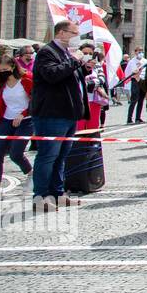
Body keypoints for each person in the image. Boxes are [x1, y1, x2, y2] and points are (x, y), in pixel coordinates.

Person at [28, 20, 90, 212]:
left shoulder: (65, 53)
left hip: (68, 113)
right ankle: (40, 195)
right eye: (74, 33)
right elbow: (52, 75)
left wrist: (83, 67)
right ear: (62, 33)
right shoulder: (47, 52)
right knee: (48, 155)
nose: (77, 37)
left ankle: (57, 193)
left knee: (61, 156)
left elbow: (70, 77)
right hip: (51, 113)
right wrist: (75, 61)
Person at [0, 55, 33, 188]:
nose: (3, 72)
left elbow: (35, 101)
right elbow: (0, 105)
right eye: (0, 70)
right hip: (6, 120)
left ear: (13, 66)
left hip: (26, 120)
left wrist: (23, 114)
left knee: (16, 153)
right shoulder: (2, 83)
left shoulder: (27, 79)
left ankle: (30, 172)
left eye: (5, 69)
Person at [124, 47, 147, 123]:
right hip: (135, 81)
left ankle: (138, 118)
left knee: (141, 100)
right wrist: (132, 75)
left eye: (141, 51)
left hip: (142, 80)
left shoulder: (145, 61)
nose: (140, 53)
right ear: (135, 52)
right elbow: (127, 72)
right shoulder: (131, 62)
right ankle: (129, 118)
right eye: (138, 51)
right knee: (134, 100)